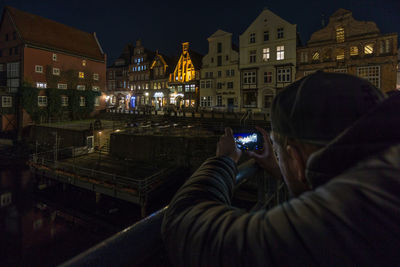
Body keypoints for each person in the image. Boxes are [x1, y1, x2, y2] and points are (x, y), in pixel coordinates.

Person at [161, 71, 400, 266]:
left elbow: (184, 221)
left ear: (294, 158)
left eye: (277, 148)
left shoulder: (329, 232)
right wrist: (276, 168)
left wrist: (223, 160)